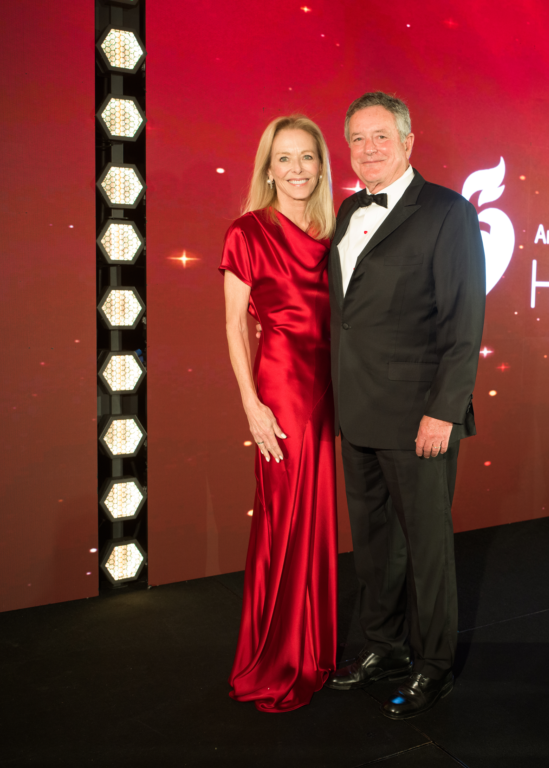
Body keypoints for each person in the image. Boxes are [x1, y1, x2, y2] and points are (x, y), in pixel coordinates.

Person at [325, 92, 486, 719]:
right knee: (373, 543)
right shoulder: (345, 210)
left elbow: (463, 321)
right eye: (357, 140)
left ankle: (434, 664)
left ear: (408, 142)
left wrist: (444, 411)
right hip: (356, 411)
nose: (368, 151)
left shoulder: (447, 213)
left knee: (426, 547)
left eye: (380, 138)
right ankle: (382, 647)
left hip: (419, 416)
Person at [221, 115, 338, 712]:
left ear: (321, 164)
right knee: (284, 517)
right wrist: (252, 403)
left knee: (315, 517)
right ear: (268, 168)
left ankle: (313, 647)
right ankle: (276, 656)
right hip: (282, 389)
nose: (296, 169)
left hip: (328, 389)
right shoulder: (247, 231)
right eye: (284, 158)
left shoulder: (333, 231)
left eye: (307, 157)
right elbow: (234, 328)